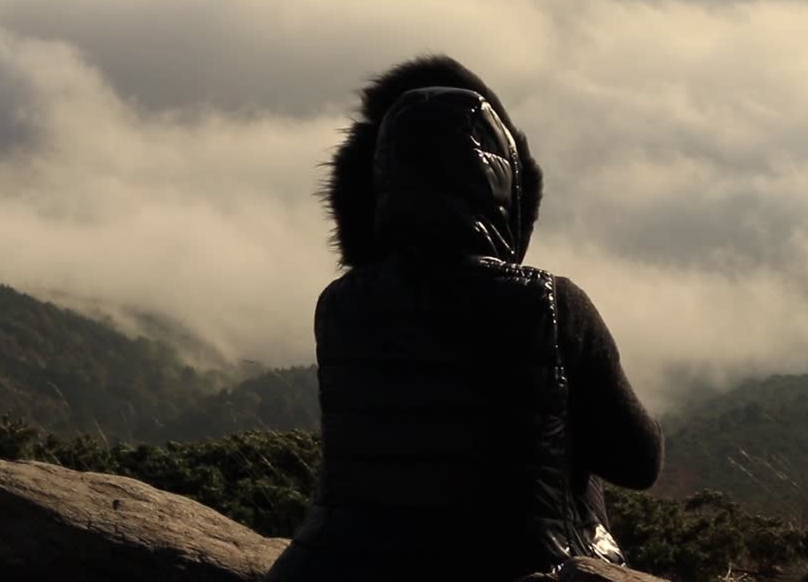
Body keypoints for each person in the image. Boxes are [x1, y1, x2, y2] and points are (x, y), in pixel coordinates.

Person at [265, 55, 664, 582]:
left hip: (333, 567)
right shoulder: (552, 304)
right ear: (505, 190)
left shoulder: (340, 306)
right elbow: (638, 463)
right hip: (524, 566)